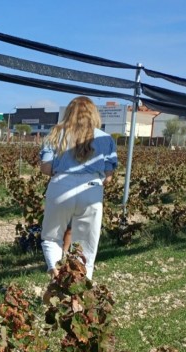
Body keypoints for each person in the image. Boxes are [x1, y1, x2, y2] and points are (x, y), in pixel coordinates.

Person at [40, 96, 117, 279]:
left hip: (60, 186)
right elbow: (109, 177)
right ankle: (82, 286)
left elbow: (45, 168)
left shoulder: (54, 134)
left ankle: (56, 274)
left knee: (52, 237)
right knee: (87, 244)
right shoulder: (106, 139)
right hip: (91, 189)